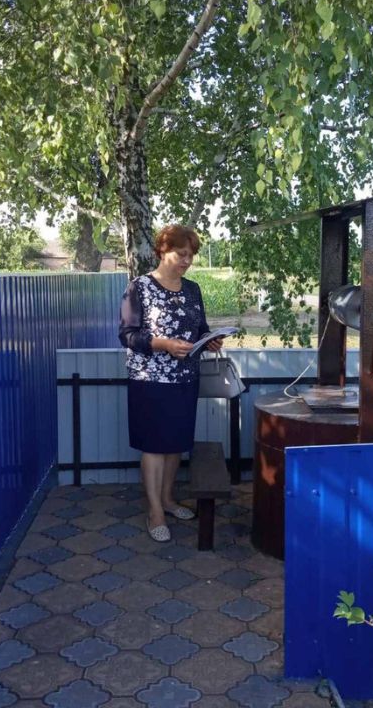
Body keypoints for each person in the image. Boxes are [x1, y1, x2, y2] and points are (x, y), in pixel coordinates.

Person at [118, 224, 223, 542]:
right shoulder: (139, 287)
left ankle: (167, 499)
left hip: (185, 378)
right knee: (154, 445)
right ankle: (155, 512)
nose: (187, 261)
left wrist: (210, 340)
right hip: (149, 380)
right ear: (163, 251)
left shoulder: (192, 289)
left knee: (176, 442)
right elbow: (127, 335)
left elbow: (200, 328)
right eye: (182, 254)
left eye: (191, 255)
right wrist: (163, 344)